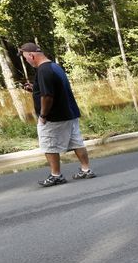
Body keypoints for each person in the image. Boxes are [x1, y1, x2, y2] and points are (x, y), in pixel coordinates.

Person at [19, 43, 95, 187]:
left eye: (25, 58)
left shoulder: (43, 71)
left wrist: (43, 115)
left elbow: (47, 96)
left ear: (31, 55)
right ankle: (86, 170)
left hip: (55, 117)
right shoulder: (54, 67)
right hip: (69, 113)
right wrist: (35, 89)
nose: (27, 61)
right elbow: (55, 89)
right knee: (76, 142)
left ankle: (56, 175)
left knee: (48, 144)